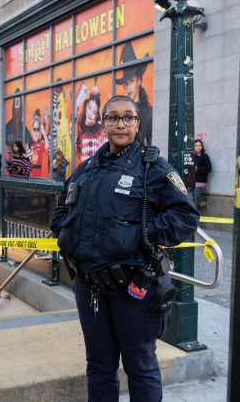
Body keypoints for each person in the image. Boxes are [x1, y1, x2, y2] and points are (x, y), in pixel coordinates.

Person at [50, 95, 199, 402]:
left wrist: (140, 234)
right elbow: (60, 209)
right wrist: (67, 232)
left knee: (140, 367)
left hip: (134, 287)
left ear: (137, 124)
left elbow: (185, 217)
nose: (120, 124)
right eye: (113, 117)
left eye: (128, 118)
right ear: (103, 123)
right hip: (89, 286)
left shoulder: (153, 168)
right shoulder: (86, 168)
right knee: (99, 365)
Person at [116, 42, 153, 147]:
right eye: (126, 84)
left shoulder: (149, 113)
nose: (128, 88)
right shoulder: (120, 114)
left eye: (131, 81)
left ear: (139, 81)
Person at [75, 88, 106, 165]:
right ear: (86, 106)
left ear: (96, 115)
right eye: (89, 107)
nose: (91, 113)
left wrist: (104, 122)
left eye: (94, 112)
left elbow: (105, 146)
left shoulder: (99, 130)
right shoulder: (79, 128)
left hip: (96, 170)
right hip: (84, 170)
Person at [29, 108, 50, 178]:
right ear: (32, 130)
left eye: (38, 130)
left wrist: (43, 132)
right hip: (31, 175)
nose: (36, 132)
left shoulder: (41, 143)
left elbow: (47, 146)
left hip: (38, 176)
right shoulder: (31, 145)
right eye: (34, 130)